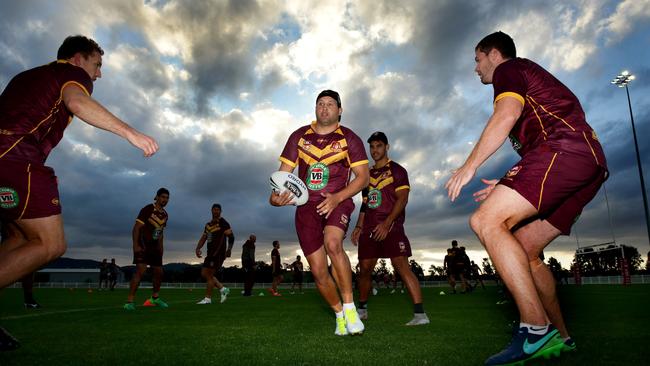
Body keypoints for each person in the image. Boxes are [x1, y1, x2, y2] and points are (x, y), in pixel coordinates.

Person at [445, 31, 608, 365]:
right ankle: (561, 337)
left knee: (486, 220)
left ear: (493, 54)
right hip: (583, 164)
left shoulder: (508, 70)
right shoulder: (528, 82)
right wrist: (505, 183)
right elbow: (538, 148)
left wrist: (469, 166)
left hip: (566, 151)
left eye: (477, 59)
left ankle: (535, 328)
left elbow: (505, 116)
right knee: (525, 248)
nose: (476, 69)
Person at [0, 35, 158, 350]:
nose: (98, 74)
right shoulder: (69, 74)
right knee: (51, 243)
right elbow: (76, 101)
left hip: (7, 157)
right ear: (77, 59)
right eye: (96, 65)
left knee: (20, 239)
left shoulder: (28, 76)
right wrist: (131, 132)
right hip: (15, 157)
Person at [270, 90, 369, 336]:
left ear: (340, 110)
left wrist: (337, 197)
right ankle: (338, 314)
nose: (324, 108)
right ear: (316, 109)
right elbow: (282, 175)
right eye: (320, 104)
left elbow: (364, 178)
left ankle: (349, 307)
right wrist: (275, 197)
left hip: (338, 201)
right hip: (306, 208)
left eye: (330, 104)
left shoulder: (349, 138)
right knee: (317, 270)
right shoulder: (298, 136)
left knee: (333, 243)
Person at [351, 131, 429, 326]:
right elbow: (365, 203)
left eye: (378, 146)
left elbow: (403, 199)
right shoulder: (366, 175)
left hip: (391, 226)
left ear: (387, 147)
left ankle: (420, 315)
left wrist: (387, 223)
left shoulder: (397, 170)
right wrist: (359, 226)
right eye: (372, 146)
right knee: (365, 269)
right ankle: (362, 310)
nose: (374, 150)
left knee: (401, 266)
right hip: (369, 227)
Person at [124, 188, 170, 310]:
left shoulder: (165, 215)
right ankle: (129, 301)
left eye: (167, 198)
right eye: (163, 197)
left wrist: (161, 247)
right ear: (157, 197)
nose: (165, 200)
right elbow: (136, 228)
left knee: (159, 272)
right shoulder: (147, 209)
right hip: (143, 245)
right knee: (140, 271)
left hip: (155, 248)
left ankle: (154, 298)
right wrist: (135, 245)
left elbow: (160, 233)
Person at [195, 204, 234, 305]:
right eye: (214, 210)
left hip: (218, 253)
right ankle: (222, 288)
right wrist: (198, 247)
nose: (216, 211)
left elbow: (232, 237)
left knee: (209, 275)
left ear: (220, 211)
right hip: (210, 253)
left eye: (218, 210)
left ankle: (207, 299)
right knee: (204, 274)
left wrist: (229, 249)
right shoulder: (208, 225)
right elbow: (204, 237)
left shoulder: (223, 223)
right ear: (211, 211)